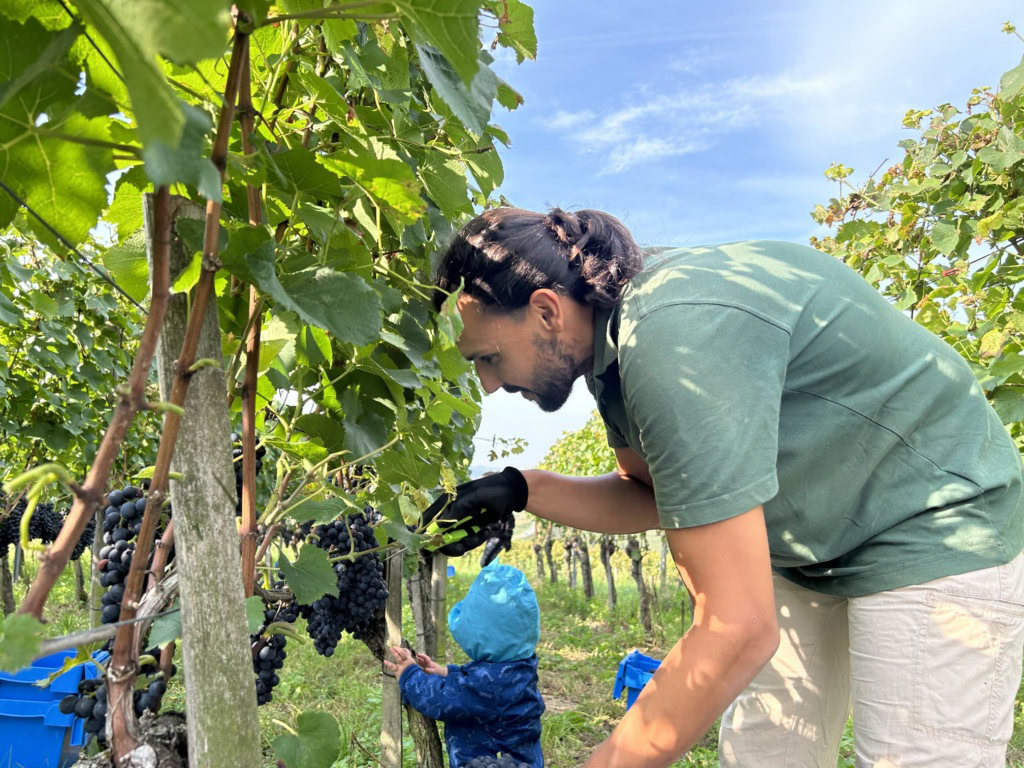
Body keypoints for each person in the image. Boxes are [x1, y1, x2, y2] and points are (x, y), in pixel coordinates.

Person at [426, 207, 1024, 768]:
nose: (486, 385)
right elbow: (656, 493)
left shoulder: (668, 335)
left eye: (488, 357)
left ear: (546, 310)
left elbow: (735, 625)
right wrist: (520, 487)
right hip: (811, 548)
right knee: (763, 750)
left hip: (934, 523)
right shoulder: (610, 360)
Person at [384, 561, 545, 768]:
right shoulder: (518, 669)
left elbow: (440, 699)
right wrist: (446, 673)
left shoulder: (489, 684)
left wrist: (410, 674)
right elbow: (476, 685)